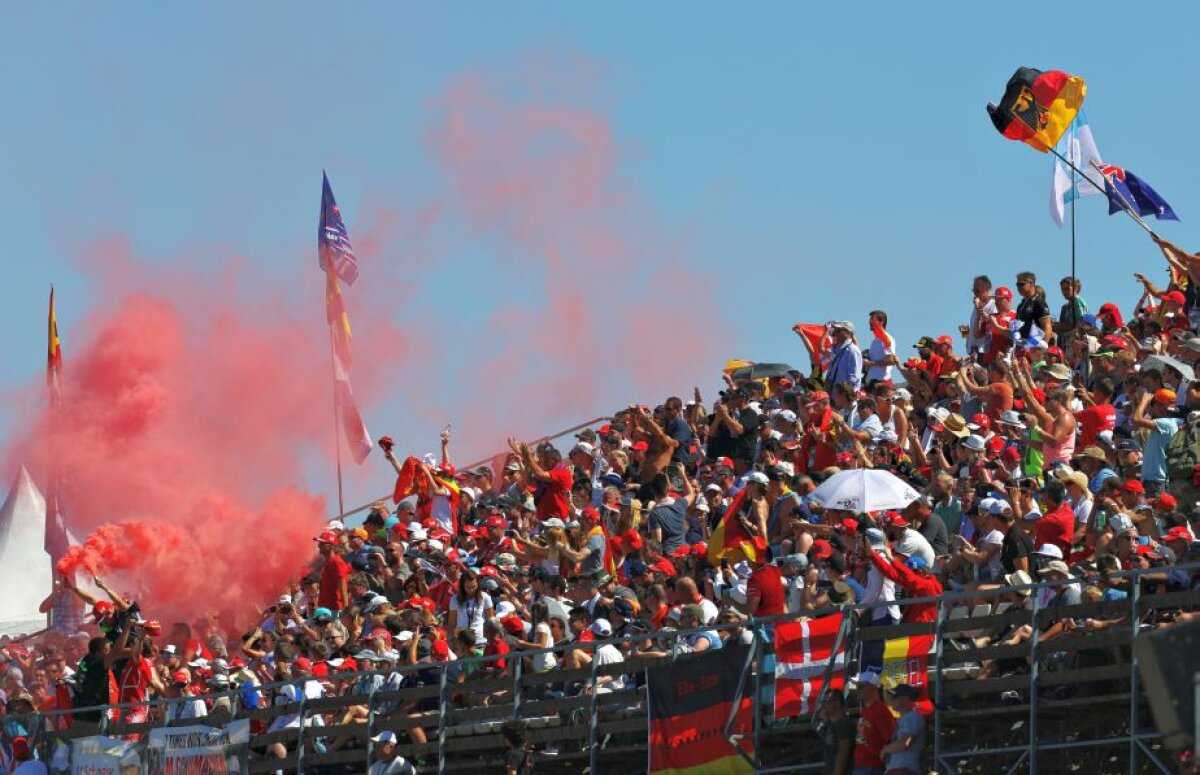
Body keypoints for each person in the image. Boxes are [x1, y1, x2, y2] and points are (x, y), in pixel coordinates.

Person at [853, 671, 896, 775]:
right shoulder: (865, 711)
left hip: (873, 767)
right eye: (857, 687)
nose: (857, 690)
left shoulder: (880, 710)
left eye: (861, 687)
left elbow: (890, 740)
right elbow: (861, 738)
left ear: (873, 687)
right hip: (862, 765)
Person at [880, 684, 924, 775]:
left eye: (895, 697)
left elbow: (905, 742)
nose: (892, 700)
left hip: (903, 770)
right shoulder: (904, 719)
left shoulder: (913, 716)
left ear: (906, 699)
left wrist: (885, 749)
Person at [813, 691, 856, 775]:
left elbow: (843, 752)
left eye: (826, 702)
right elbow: (816, 725)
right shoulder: (831, 724)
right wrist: (824, 718)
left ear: (837, 703)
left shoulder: (844, 723)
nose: (823, 706)